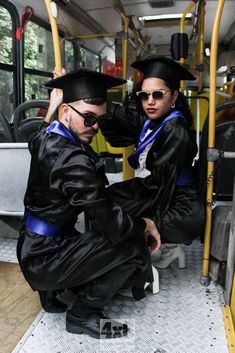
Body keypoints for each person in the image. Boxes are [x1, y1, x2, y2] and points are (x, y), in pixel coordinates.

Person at [16, 68, 161, 339]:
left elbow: (35, 139)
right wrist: (146, 223)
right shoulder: (73, 160)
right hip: (45, 258)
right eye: (89, 118)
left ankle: (51, 296)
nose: (95, 128)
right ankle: (83, 315)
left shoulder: (48, 137)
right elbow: (113, 225)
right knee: (132, 243)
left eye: (100, 120)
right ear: (67, 113)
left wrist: (52, 107)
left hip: (30, 246)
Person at [99, 56, 205, 267]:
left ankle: (135, 270)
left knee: (115, 213)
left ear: (174, 95)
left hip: (179, 205)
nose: (150, 102)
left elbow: (161, 188)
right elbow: (121, 117)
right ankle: (167, 250)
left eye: (158, 94)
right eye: (144, 95)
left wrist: (148, 223)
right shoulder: (153, 121)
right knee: (106, 199)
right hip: (160, 189)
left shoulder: (175, 130)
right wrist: (93, 99)